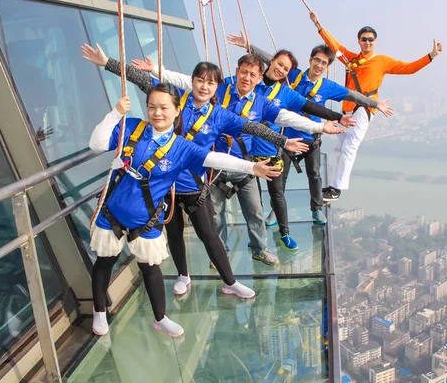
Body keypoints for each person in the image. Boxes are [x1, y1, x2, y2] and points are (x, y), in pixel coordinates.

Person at [81, 44, 307, 292]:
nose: (204, 87)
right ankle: (183, 276)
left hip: (192, 185)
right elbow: (143, 81)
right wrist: (107, 63)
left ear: (216, 87)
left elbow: (251, 127)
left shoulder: (219, 115)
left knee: (209, 234)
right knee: (174, 232)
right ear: (193, 81)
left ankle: (230, 282)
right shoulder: (176, 99)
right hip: (164, 183)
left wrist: (283, 141)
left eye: (210, 83)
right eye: (200, 80)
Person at [88, 84, 283, 337]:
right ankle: (99, 310)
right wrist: (115, 114)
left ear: (177, 110)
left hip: (144, 219)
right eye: (151, 107)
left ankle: (161, 317)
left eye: (164, 107)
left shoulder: (181, 147)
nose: (157, 112)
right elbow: (96, 144)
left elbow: (215, 160)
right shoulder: (133, 128)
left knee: (150, 268)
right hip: (112, 212)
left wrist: (251, 168)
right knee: (105, 262)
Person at [128, 53, 345, 265]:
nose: (247, 78)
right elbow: (188, 82)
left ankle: (260, 249)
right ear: (237, 72)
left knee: (255, 211)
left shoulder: (261, 103)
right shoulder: (219, 89)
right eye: (243, 72)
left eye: (252, 74)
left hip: (244, 164)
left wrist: (318, 126)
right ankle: (221, 253)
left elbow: (286, 117)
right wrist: (159, 71)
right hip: (215, 166)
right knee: (216, 215)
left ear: (260, 78)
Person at [227, 33, 394, 228]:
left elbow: (353, 95)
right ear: (310, 60)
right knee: (280, 179)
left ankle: (316, 209)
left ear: (327, 66)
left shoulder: (327, 86)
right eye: (317, 60)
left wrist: (374, 104)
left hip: (311, 137)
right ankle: (276, 211)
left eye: (324, 63)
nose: (319, 65)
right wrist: (248, 45)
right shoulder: (294, 75)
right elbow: (271, 61)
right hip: (288, 137)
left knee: (314, 174)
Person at [310, 11, 443, 201]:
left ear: (375, 41)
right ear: (359, 41)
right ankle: (333, 186)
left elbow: (409, 68)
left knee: (349, 147)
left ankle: (337, 189)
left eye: (371, 39)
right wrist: (319, 26)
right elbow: (335, 45)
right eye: (364, 39)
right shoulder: (352, 59)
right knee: (339, 149)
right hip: (346, 109)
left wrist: (431, 55)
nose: (367, 42)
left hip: (364, 109)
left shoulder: (382, 61)